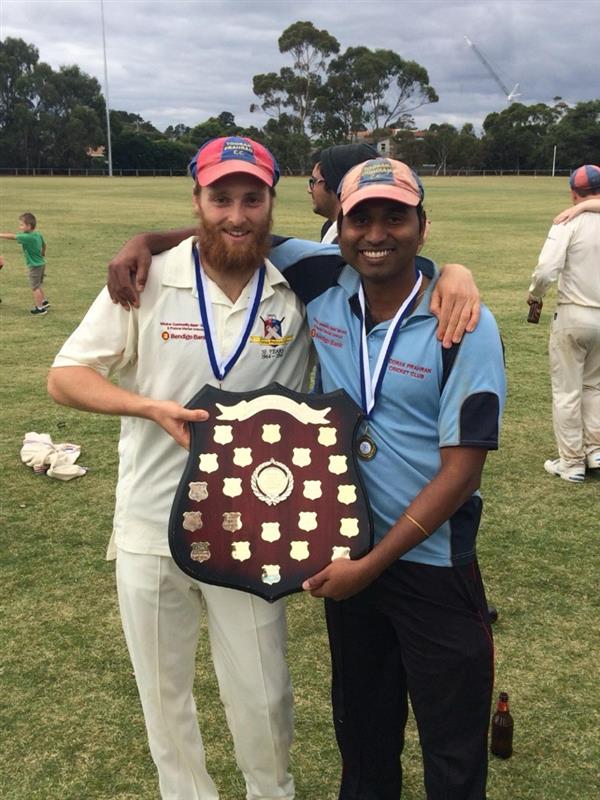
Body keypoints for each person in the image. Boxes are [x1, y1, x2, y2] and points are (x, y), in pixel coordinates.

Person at [50, 136, 479, 800]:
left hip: (255, 528)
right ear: (197, 200)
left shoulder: (305, 277)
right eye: (220, 198)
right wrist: (145, 406)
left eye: (252, 198)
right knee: (164, 701)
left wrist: (455, 269)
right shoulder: (147, 275)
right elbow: (64, 378)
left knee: (265, 699)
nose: (236, 214)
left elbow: (388, 258)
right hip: (147, 524)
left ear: (271, 203)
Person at [298, 158, 506, 799]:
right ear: (338, 223)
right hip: (349, 555)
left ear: (423, 225)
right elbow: (228, 233)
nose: (377, 232)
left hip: (431, 566)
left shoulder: (462, 322)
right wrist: (141, 243)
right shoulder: (321, 289)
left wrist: (374, 564)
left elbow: (462, 472)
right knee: (363, 744)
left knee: (452, 750)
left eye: (396, 215)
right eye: (361, 217)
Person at [528, 163, 600, 482]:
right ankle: (596, 451)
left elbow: (545, 271)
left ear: (574, 193)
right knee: (594, 386)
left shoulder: (566, 221)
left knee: (567, 391)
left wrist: (535, 295)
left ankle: (571, 463)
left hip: (573, 314)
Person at [309, 144, 379, 242]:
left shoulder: (348, 243)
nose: (309, 189)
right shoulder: (329, 229)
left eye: (313, 181)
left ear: (332, 183)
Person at [0, 212, 50, 315]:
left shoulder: (27, 237)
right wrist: (43, 253)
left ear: (29, 226)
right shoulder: (37, 234)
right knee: (38, 284)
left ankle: (40, 308)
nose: (20, 226)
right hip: (41, 263)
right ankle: (44, 302)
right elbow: (44, 245)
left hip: (34, 266)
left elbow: (12, 236)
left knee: (34, 287)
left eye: (22, 224)